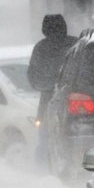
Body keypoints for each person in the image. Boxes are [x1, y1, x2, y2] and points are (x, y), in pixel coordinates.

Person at [28, 14, 78, 166]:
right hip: (75, 102)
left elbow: (33, 78)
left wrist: (48, 87)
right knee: (72, 139)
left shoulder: (41, 48)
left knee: (45, 140)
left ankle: (43, 172)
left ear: (44, 29)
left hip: (47, 103)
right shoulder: (75, 44)